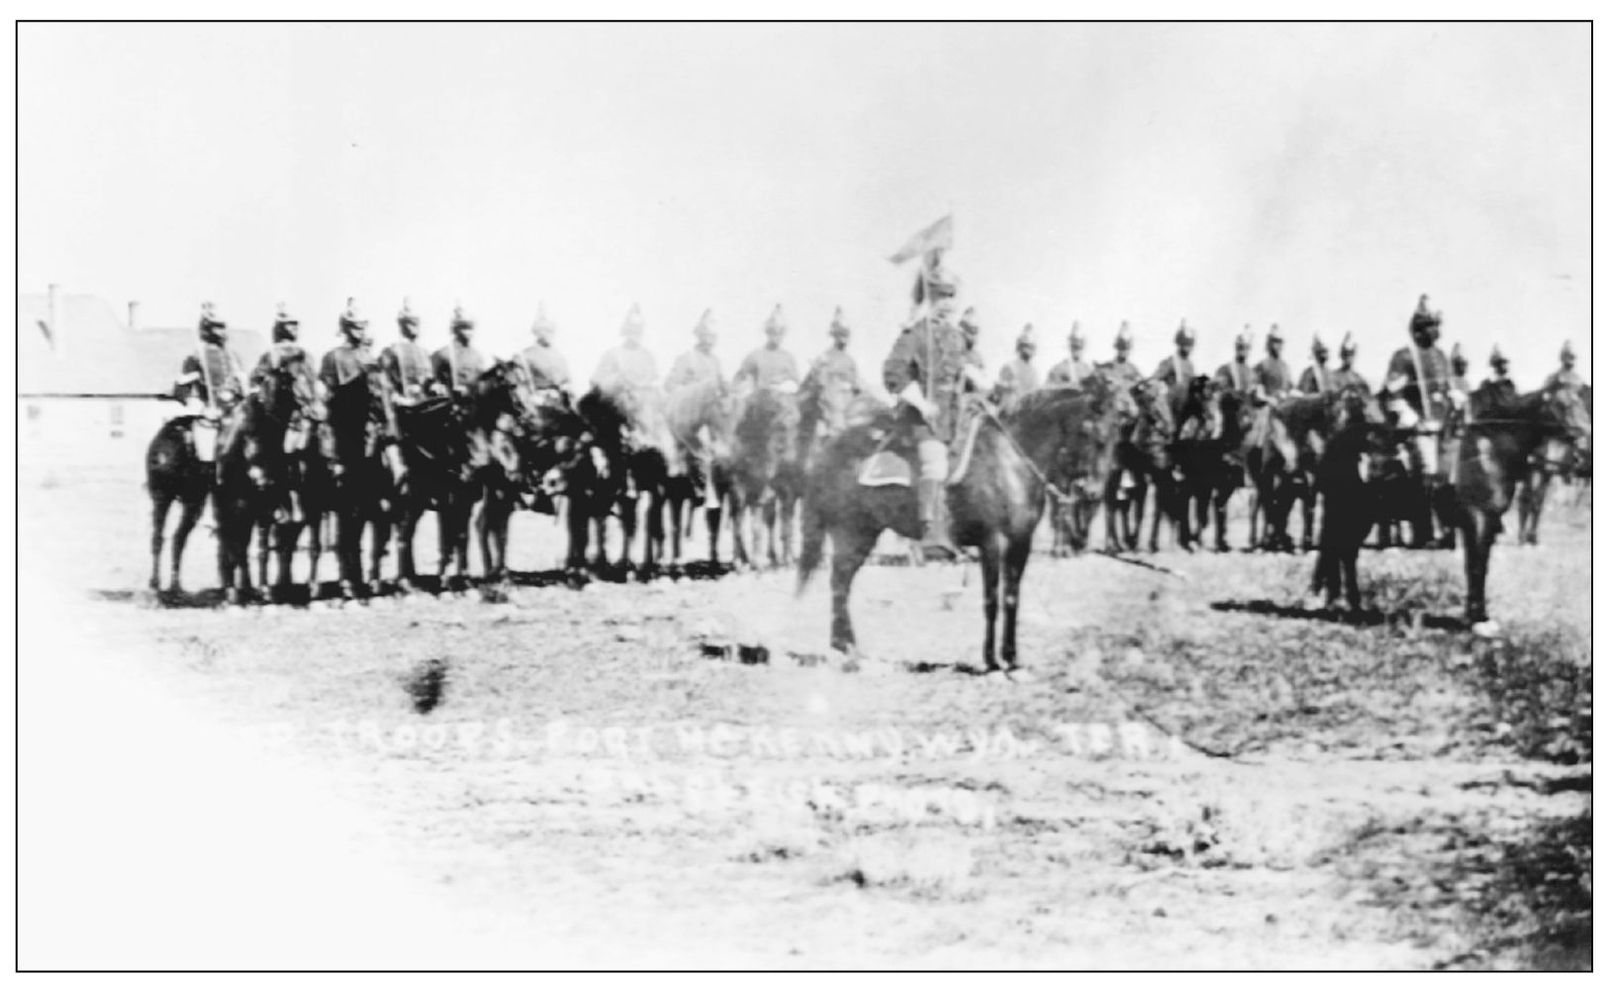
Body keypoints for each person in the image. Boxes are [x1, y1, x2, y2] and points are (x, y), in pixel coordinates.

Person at [882, 285, 979, 560]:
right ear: (930, 299)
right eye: (940, 298)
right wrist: (922, 403)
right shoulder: (915, 334)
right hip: (921, 419)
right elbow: (893, 372)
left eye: (951, 298)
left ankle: (961, 533)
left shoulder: (956, 337)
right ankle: (929, 533)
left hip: (954, 419)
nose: (946, 304)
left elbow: (963, 372)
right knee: (935, 464)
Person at [1381, 294, 1455, 547]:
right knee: (1427, 476)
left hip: (1443, 428)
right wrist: (1412, 419)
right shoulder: (1403, 357)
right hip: (1417, 430)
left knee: (1450, 478)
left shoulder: (1442, 357)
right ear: (1418, 329)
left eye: (1436, 325)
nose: (1435, 331)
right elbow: (1393, 392)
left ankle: (1449, 530)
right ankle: (1423, 532)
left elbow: (1446, 389)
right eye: (1430, 325)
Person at [171, 301, 247, 463]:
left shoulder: (234, 357)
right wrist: (195, 405)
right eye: (216, 327)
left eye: (223, 327)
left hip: (236, 412)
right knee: (206, 453)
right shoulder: (197, 357)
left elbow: (243, 388)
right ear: (207, 329)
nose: (222, 332)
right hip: (209, 412)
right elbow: (181, 389)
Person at [798, 306, 867, 453]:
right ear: (834, 336)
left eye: (845, 335)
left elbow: (857, 387)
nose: (843, 340)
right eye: (840, 335)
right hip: (827, 413)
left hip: (846, 410)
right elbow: (808, 387)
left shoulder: (850, 361)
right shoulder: (824, 358)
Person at [592, 303, 660, 405]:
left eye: (636, 331)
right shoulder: (612, 354)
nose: (633, 335)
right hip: (618, 400)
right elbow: (599, 380)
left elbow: (653, 379)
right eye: (631, 330)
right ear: (625, 331)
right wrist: (616, 381)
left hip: (643, 401)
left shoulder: (647, 356)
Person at [378, 298, 435, 406]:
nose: (415, 327)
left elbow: (429, 379)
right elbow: (385, 382)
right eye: (411, 323)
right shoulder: (392, 351)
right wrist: (398, 399)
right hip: (402, 404)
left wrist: (434, 387)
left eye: (416, 323)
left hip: (424, 403)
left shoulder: (424, 352)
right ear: (402, 325)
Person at [734, 304, 800, 393]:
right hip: (760, 402)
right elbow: (738, 378)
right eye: (773, 332)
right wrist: (742, 390)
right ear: (768, 332)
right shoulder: (755, 356)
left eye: (780, 333)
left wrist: (785, 385)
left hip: (783, 402)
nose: (777, 337)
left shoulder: (788, 358)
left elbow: (796, 384)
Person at [514, 303, 572, 398]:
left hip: (559, 399)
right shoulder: (526, 355)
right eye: (543, 330)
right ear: (537, 332)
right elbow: (521, 384)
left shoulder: (559, 356)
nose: (547, 334)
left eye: (549, 331)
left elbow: (567, 380)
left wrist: (565, 390)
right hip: (537, 399)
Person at [432, 305, 490, 397]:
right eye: (465, 328)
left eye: (471, 328)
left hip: (474, 402)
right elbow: (432, 381)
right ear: (455, 330)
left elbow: (482, 381)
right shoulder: (443, 354)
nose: (469, 333)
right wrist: (438, 387)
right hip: (450, 402)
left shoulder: (478, 356)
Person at [665, 309, 725, 393]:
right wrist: (688, 393)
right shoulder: (688, 358)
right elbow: (669, 385)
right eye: (707, 335)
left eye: (713, 337)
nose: (709, 341)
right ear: (700, 334)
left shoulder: (715, 362)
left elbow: (722, 389)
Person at [994, 323, 1041, 412]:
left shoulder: (1034, 372)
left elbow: (1036, 395)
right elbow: (998, 393)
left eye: (1031, 347)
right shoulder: (1010, 367)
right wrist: (1009, 386)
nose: (1028, 350)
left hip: (1028, 412)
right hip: (1009, 413)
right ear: (1020, 347)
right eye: (1026, 346)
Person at [1152, 319, 1197, 394]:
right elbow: (1155, 379)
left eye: (1190, 346)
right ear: (1180, 345)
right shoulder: (1170, 362)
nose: (1189, 349)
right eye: (1186, 345)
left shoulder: (1190, 365)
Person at [1046, 321, 1096, 388]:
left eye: (1079, 346)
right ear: (1070, 345)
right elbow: (1049, 388)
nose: (1076, 350)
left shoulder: (1088, 371)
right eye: (1074, 346)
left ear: (1083, 346)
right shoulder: (1059, 369)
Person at [1212, 326, 1259, 396]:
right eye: (1241, 347)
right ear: (1236, 347)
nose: (1244, 350)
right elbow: (1217, 393)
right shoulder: (1225, 369)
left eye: (1247, 347)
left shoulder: (1252, 373)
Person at [1253, 324, 1293, 402]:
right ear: (1269, 343)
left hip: (1285, 407)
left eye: (1280, 342)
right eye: (1275, 342)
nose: (1278, 345)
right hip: (1268, 407)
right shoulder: (1261, 366)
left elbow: (1290, 390)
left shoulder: (1285, 367)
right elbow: (1259, 395)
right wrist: (1270, 399)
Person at [1099, 321, 1143, 390]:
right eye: (1121, 348)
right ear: (1117, 348)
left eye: (1126, 349)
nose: (1124, 352)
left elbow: (1141, 382)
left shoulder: (1133, 369)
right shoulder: (1107, 367)